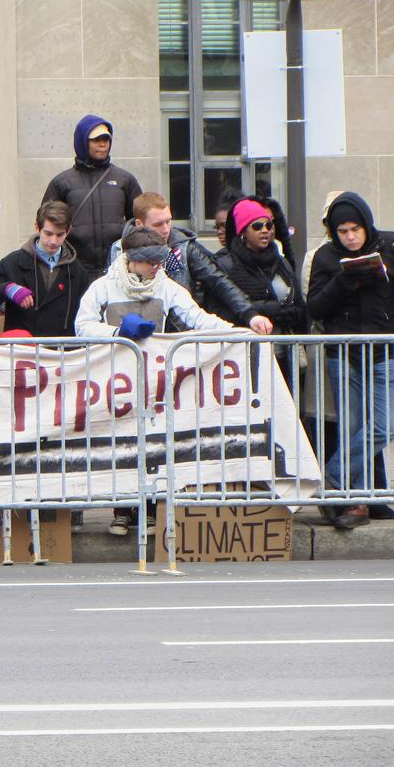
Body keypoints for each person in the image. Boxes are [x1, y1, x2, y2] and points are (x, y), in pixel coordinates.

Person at [75, 227, 243, 536]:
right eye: (151, 261)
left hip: (153, 380)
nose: (157, 267)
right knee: (119, 442)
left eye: (159, 261)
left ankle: (150, 508)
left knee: (151, 443)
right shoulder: (103, 287)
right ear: (133, 260)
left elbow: (197, 318)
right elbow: (82, 325)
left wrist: (235, 331)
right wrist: (116, 334)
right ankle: (122, 510)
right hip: (113, 380)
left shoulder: (167, 287)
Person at [307, 192, 394, 530]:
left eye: (355, 229)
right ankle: (354, 504)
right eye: (343, 231)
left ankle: (331, 479)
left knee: (382, 428)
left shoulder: (391, 244)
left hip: (382, 352)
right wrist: (345, 281)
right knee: (353, 429)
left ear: (366, 225)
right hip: (343, 355)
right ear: (334, 232)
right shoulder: (327, 257)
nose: (351, 237)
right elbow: (315, 307)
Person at [109, 192, 273, 335]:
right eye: (158, 224)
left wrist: (250, 314)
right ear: (139, 224)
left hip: (181, 339)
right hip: (132, 338)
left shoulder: (184, 247)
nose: (166, 229)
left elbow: (218, 280)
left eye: (168, 221)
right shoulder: (118, 250)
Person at [210, 196, 307, 377]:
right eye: (257, 226)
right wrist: (265, 309)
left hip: (283, 353)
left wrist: (292, 313)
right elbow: (221, 309)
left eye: (268, 225)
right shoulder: (226, 264)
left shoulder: (281, 263)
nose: (265, 231)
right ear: (243, 231)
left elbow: (299, 303)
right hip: (243, 357)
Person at [42, 115, 142, 281]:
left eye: (106, 139)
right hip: (74, 270)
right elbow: (46, 224)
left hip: (118, 269)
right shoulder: (61, 182)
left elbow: (140, 222)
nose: (103, 144)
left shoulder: (125, 179)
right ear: (83, 142)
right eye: (96, 140)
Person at [0, 200, 89, 337]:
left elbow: (86, 316)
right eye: (48, 233)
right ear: (37, 227)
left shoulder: (78, 271)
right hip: (22, 350)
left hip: (62, 352)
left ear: (68, 230)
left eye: (60, 235)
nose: (53, 241)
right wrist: (6, 289)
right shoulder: (13, 263)